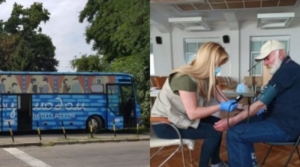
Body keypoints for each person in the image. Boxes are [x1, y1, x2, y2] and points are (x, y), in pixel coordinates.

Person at [150, 42, 240, 167]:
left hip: (180, 118)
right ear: (207, 62)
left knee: (218, 124)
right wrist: (220, 107)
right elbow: (193, 114)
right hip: (166, 124)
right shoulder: (184, 78)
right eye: (217, 64)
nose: (219, 68)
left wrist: (243, 108)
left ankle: (215, 163)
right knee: (214, 131)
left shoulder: (206, 77)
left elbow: (223, 100)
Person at [214, 40, 300, 167]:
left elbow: (260, 104)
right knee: (237, 125)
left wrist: (231, 121)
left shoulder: (287, 70)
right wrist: (243, 109)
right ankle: (247, 162)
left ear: (281, 53)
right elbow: (264, 101)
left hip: (285, 127)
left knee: (234, 133)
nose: (265, 63)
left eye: (267, 58)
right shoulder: (287, 68)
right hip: (277, 119)